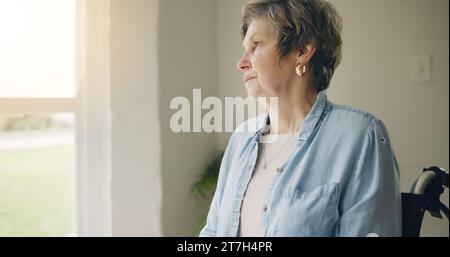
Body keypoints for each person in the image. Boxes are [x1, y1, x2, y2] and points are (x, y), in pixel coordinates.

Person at [199, 0, 402, 237]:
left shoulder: (359, 136)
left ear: (303, 51)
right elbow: (212, 232)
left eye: (256, 45)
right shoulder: (241, 139)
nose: (241, 63)